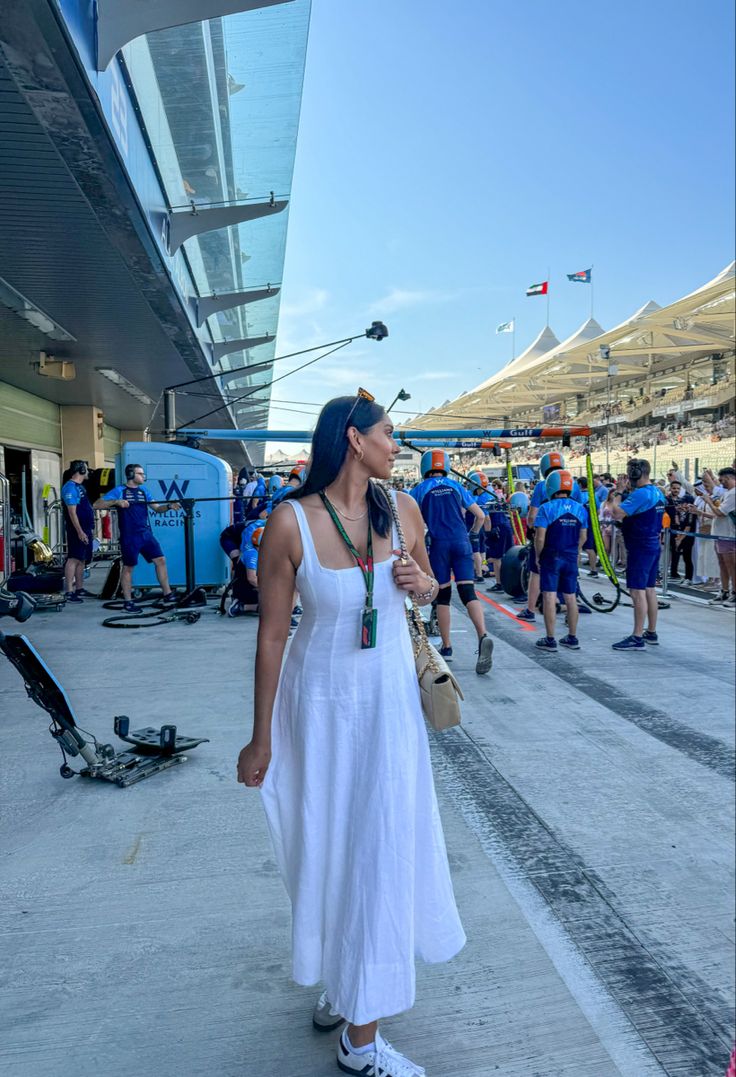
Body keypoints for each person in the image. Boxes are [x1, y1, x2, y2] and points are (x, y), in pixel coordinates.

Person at [237, 392, 465, 1077]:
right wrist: (260, 736)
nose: (399, 446)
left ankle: (359, 1038)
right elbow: (272, 635)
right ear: (353, 439)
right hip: (318, 711)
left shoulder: (404, 510)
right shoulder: (289, 522)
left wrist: (420, 583)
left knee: (380, 852)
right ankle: (347, 983)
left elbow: (430, 587)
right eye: (390, 434)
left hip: (388, 708)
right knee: (328, 848)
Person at [411, 449, 494, 672]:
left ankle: (447, 647)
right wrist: (473, 534)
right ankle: (482, 635)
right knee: (469, 592)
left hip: (439, 545)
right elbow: (480, 515)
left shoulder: (419, 490)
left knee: (444, 596)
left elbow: (410, 521)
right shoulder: (458, 487)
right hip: (462, 542)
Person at [94, 463, 180, 613]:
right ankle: (128, 602)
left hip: (145, 534)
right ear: (131, 475)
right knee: (128, 568)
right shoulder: (119, 491)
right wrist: (116, 502)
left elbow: (157, 508)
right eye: (140, 474)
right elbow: (96, 505)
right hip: (130, 537)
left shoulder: (144, 491)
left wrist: (169, 506)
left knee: (161, 560)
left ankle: (167, 594)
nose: (143, 476)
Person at [518, 451, 583, 622]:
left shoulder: (542, 486)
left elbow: (532, 515)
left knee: (536, 572)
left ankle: (531, 609)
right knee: (569, 581)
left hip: (548, 537)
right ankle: (570, 614)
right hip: (570, 539)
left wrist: (533, 532)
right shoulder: (574, 486)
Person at [611, 458, 666, 649]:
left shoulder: (641, 494)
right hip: (652, 544)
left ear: (635, 473)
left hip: (639, 546)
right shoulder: (657, 492)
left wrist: (618, 492)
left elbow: (616, 513)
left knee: (637, 590)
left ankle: (636, 636)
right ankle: (651, 631)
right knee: (649, 589)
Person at [533, 469, 588, 652]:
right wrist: (575, 550)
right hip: (571, 556)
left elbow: (540, 537)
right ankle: (572, 637)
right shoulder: (580, 508)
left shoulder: (546, 508)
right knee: (570, 597)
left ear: (550, 487)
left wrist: (539, 556)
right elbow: (583, 537)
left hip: (551, 555)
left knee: (549, 595)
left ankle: (550, 639)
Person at [699, 466, 736, 605]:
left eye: (722, 480)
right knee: (722, 565)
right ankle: (724, 591)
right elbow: (717, 512)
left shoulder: (733, 494)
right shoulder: (728, 493)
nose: (721, 483)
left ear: (729, 478)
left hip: (728, 534)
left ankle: (733, 593)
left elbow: (720, 512)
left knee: (731, 566)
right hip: (719, 534)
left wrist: (708, 501)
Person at [60, 460, 94, 603]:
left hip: (85, 528)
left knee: (82, 559)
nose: (88, 472)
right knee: (73, 558)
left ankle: (79, 589)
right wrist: (79, 531)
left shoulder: (80, 487)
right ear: (80, 470)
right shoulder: (70, 487)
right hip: (76, 529)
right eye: (86, 469)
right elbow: (72, 512)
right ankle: (69, 591)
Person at [485, 479, 514, 592]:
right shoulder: (500, 495)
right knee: (506, 556)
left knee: (497, 558)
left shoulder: (488, 497)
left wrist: (488, 533)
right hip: (505, 525)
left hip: (497, 527)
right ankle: (507, 580)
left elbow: (486, 517)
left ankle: (499, 583)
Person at [666, 479, 696, 582]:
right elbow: (679, 523)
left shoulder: (691, 514)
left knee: (687, 557)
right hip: (676, 532)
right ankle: (679, 574)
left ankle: (689, 577)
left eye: (683, 503)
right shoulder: (668, 500)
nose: (681, 505)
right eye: (674, 488)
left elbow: (688, 526)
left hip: (687, 537)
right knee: (678, 554)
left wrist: (680, 538)